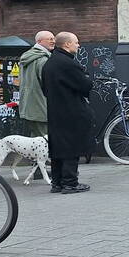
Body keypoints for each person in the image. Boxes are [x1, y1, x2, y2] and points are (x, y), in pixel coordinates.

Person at [41, 32, 93, 194]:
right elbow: (85, 85)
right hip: (72, 111)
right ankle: (70, 182)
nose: (78, 45)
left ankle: (57, 183)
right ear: (67, 44)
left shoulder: (49, 63)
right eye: (76, 42)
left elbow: (44, 89)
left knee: (57, 147)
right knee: (72, 146)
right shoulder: (68, 64)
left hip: (55, 111)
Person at [18, 31, 55, 137]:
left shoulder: (26, 57)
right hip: (40, 107)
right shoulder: (42, 60)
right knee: (45, 141)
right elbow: (48, 84)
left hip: (28, 107)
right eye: (49, 39)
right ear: (39, 41)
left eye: (53, 38)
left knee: (34, 141)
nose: (53, 41)